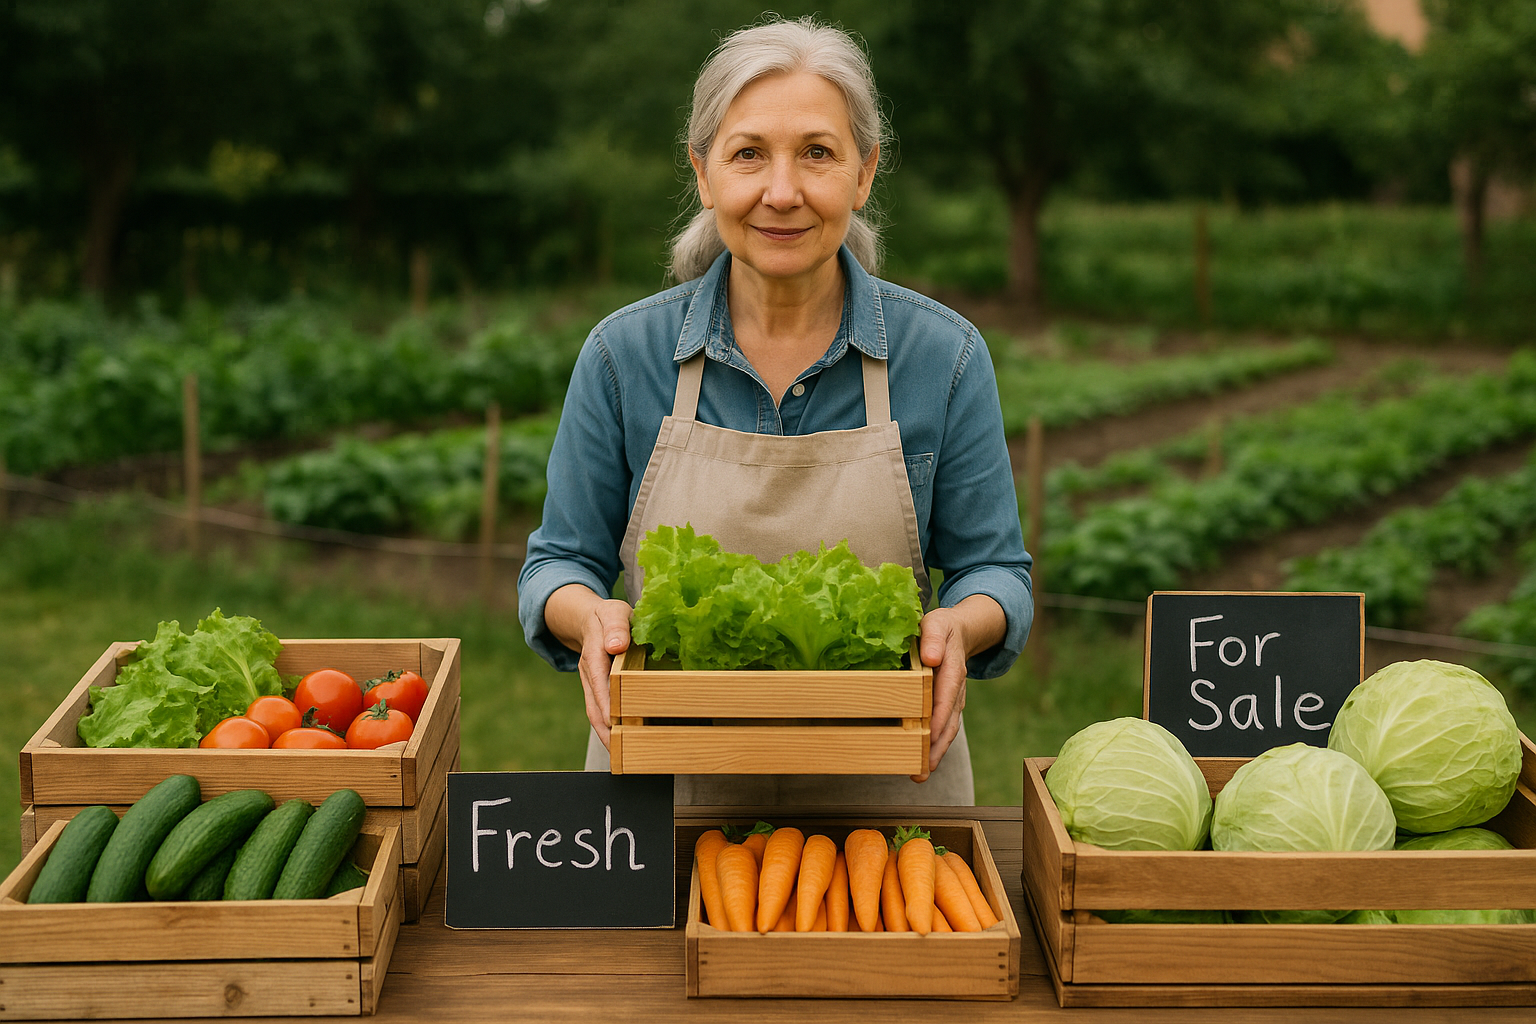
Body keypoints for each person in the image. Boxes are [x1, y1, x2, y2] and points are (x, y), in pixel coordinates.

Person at [517, 16, 1033, 805]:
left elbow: (996, 571)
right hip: (665, 796)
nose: (782, 192)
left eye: (817, 154)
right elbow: (557, 563)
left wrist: (960, 626)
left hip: (890, 799)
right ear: (703, 172)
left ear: (864, 174)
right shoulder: (625, 355)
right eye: (749, 154)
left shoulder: (945, 357)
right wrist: (589, 617)